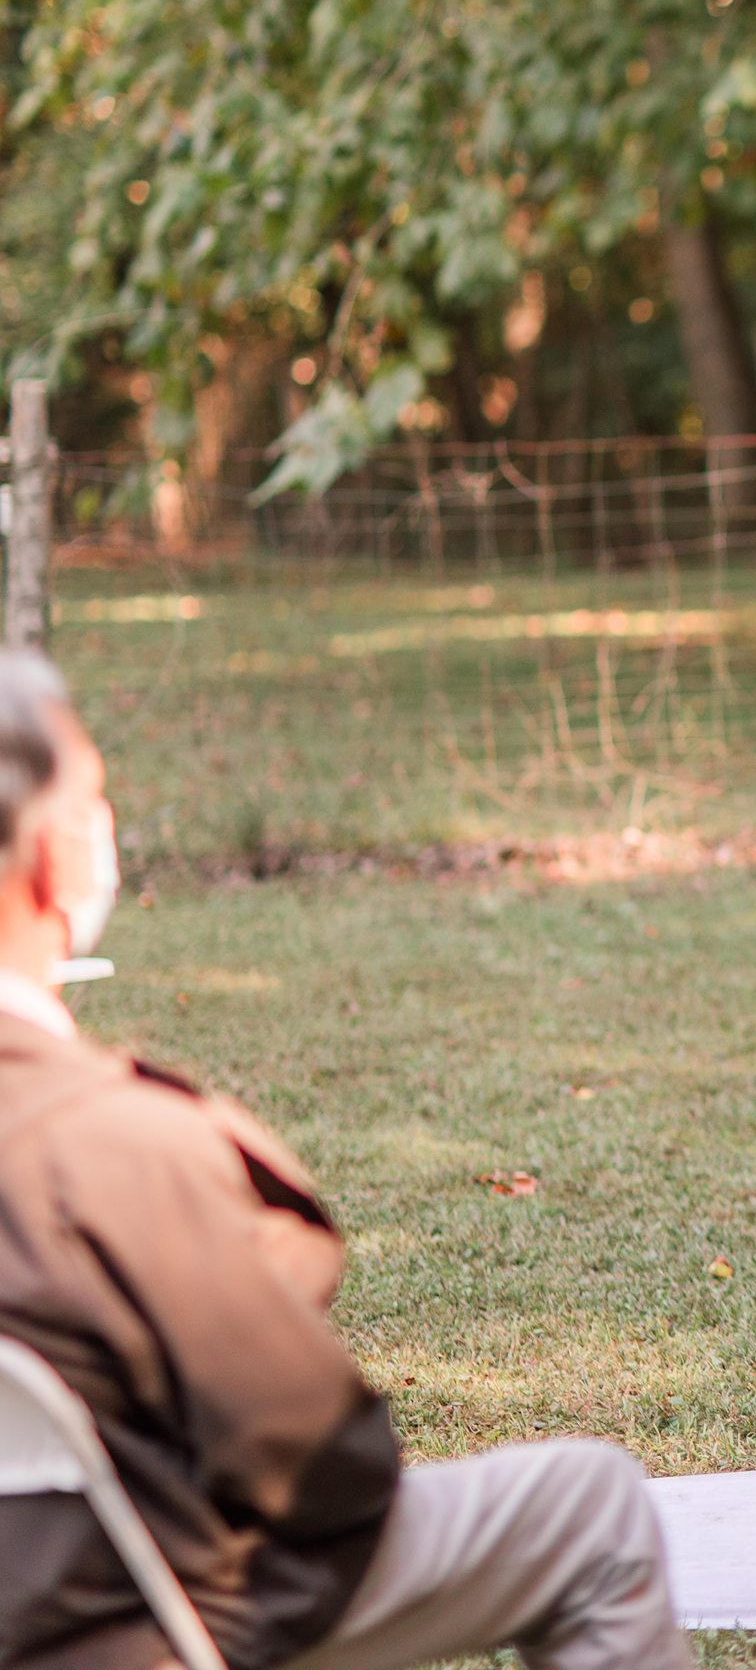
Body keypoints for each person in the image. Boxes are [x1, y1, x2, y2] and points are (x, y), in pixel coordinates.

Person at [0, 654, 688, 1670]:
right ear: (54, 855)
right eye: (94, 797)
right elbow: (322, 1464)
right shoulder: (106, 1143)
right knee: (592, 1503)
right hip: (124, 1613)